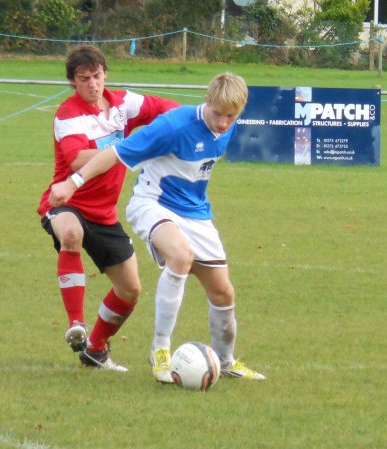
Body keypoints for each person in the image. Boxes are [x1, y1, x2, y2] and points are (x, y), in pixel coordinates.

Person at [48, 72, 265, 381]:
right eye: (217, 114)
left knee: (223, 293)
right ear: (207, 101)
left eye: (231, 116)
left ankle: (226, 361)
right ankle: (160, 351)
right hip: (153, 204)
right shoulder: (173, 126)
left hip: (196, 213)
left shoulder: (227, 126)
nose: (222, 122)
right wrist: (73, 182)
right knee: (180, 255)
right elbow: (114, 154)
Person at [37, 45, 179, 371]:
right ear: (73, 82)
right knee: (70, 233)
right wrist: (130, 147)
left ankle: (96, 350)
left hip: (105, 214)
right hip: (66, 201)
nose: (93, 84)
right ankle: (77, 324)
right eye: (84, 79)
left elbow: (164, 107)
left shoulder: (123, 103)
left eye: (97, 76)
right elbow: (78, 159)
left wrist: (183, 121)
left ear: (106, 74)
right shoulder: (67, 115)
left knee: (130, 290)